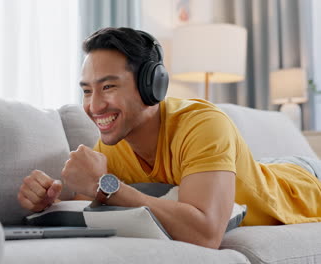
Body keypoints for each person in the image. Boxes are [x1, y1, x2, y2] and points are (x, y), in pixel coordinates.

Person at [17, 27, 321, 249]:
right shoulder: (112, 143)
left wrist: (107, 186)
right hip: (258, 168)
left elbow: (206, 234)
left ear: (153, 85)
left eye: (108, 87)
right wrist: (50, 202)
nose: (94, 106)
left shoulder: (203, 124)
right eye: (86, 90)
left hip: (303, 182)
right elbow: (90, 204)